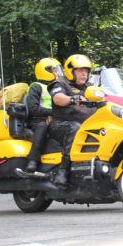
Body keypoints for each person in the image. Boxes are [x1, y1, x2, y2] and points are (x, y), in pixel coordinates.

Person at [47, 54, 97, 187]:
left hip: (87, 125)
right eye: (80, 70)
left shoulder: (89, 87)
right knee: (75, 128)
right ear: (71, 71)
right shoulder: (60, 83)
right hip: (60, 125)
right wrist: (73, 99)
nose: (84, 74)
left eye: (86, 71)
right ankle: (63, 171)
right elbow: (58, 98)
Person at [16, 57, 63, 177]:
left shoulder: (59, 87)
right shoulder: (36, 87)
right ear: (46, 71)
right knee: (42, 126)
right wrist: (51, 113)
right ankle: (33, 160)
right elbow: (33, 109)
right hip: (38, 120)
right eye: (55, 70)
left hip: (57, 118)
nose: (58, 73)